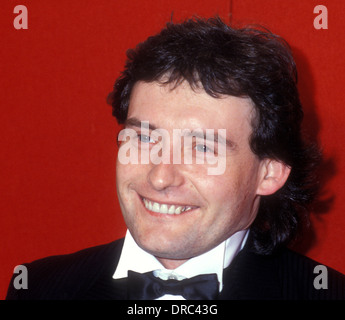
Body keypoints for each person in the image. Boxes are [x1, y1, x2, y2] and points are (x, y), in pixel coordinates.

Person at [6, 16, 345, 300]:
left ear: (268, 173)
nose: (160, 177)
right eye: (143, 138)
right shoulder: (38, 288)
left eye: (201, 148)